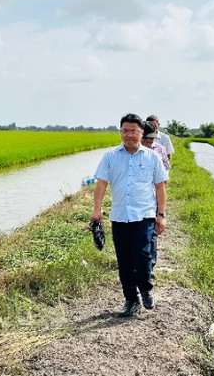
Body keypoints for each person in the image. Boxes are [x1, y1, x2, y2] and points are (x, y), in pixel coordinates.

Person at [91, 113, 168, 317]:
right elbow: (101, 184)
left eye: (133, 131)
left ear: (142, 133)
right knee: (124, 260)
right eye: (125, 130)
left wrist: (161, 215)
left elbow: (160, 187)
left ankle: (146, 289)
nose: (129, 135)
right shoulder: (110, 156)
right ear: (120, 132)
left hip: (144, 215)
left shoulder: (152, 157)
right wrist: (96, 210)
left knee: (142, 254)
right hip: (119, 216)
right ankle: (131, 299)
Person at [141, 121, 170, 269]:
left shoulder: (160, 150)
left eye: (151, 138)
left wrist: (161, 210)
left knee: (151, 231)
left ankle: (150, 265)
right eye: (145, 138)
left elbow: (165, 174)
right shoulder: (132, 152)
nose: (148, 141)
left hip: (154, 196)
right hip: (138, 197)